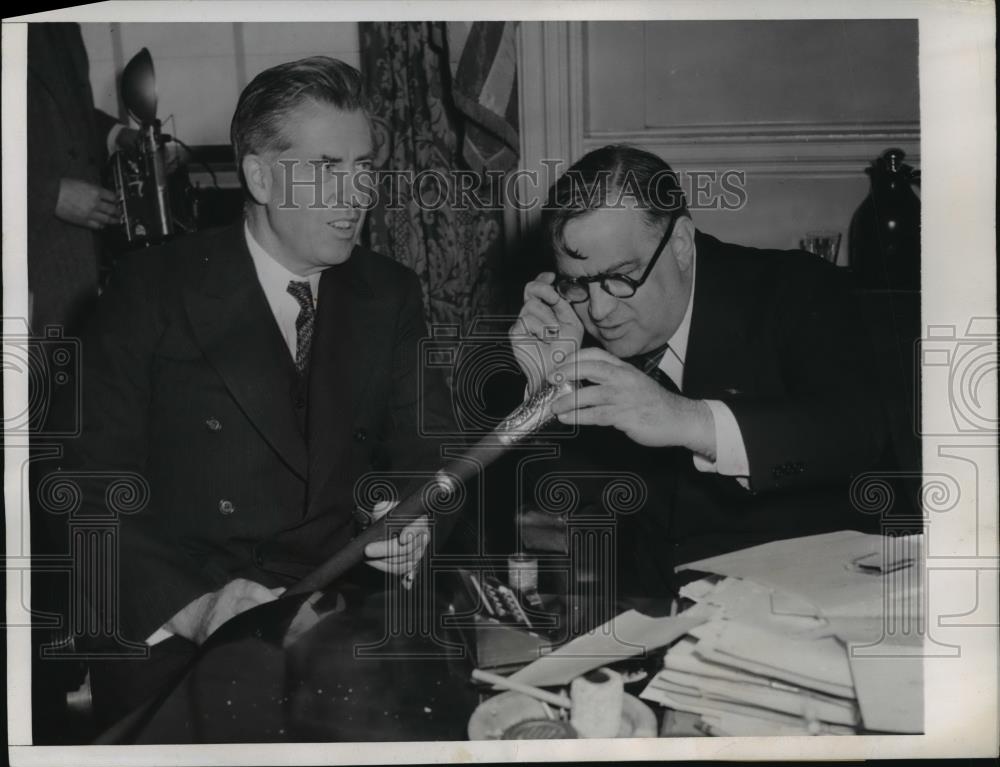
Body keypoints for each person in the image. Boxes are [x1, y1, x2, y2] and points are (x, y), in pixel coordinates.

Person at [56, 56, 453, 729]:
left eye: (366, 170)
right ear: (261, 175)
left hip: (343, 613)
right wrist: (199, 608)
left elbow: (432, 451)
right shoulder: (149, 290)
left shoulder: (388, 293)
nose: (359, 196)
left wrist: (411, 514)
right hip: (185, 619)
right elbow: (88, 488)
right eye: (330, 168)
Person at [508, 144, 888, 604]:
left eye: (622, 275)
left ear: (682, 244)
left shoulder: (793, 290)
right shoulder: (574, 329)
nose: (601, 310)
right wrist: (552, 390)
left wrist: (686, 420)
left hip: (811, 608)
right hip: (654, 622)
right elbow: (558, 517)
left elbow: (856, 435)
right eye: (578, 283)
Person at [27, 22, 140, 334]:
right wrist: (50, 195)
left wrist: (118, 135)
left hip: (73, 264)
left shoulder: (63, 26)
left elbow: (58, 111)